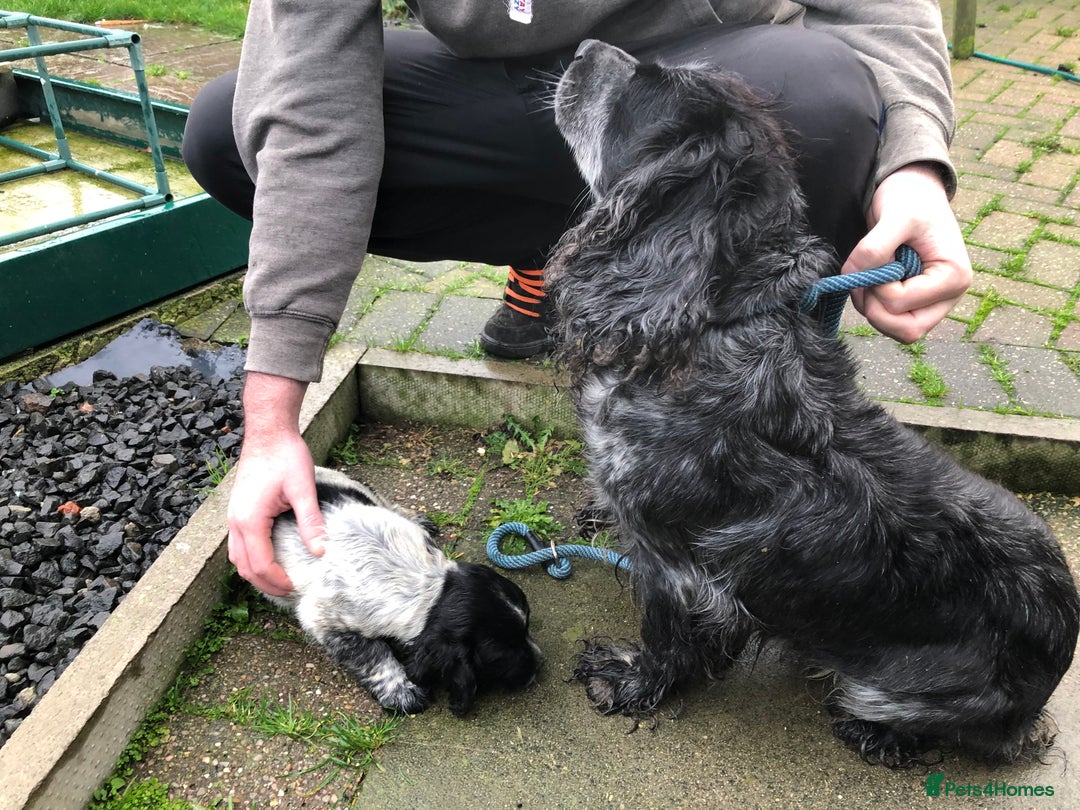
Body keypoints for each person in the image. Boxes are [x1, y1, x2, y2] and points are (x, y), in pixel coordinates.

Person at [182, 0, 973, 597]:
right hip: (509, 86)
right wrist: (272, 419)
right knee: (229, 132)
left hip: (719, 64)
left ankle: (749, 431)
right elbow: (311, 101)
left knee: (826, 100)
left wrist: (915, 167)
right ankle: (556, 266)